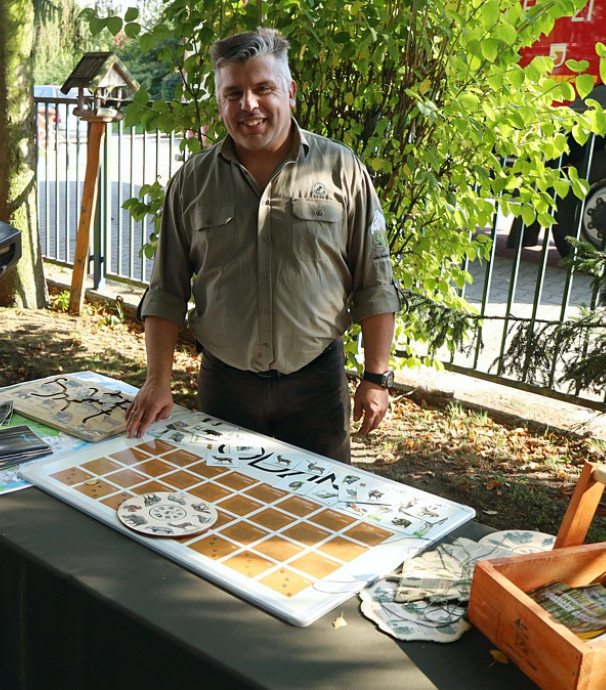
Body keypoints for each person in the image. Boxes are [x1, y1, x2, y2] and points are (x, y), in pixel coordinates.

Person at [124, 28, 400, 463]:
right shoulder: (191, 182)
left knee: (321, 515)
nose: (248, 105)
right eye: (233, 93)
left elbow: (375, 279)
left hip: (317, 389)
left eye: (263, 88)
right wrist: (158, 379)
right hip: (224, 388)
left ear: (289, 92)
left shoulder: (341, 168)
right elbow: (166, 292)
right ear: (220, 103)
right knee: (223, 505)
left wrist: (376, 377)